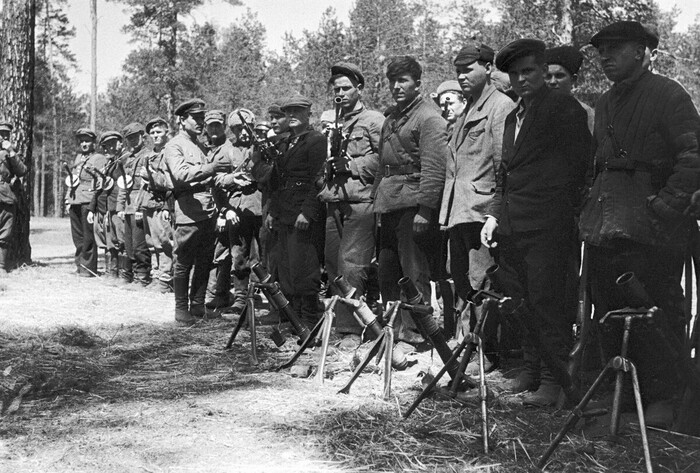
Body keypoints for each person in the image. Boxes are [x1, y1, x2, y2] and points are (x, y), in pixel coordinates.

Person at [579, 21, 700, 427]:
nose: (605, 57)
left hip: (653, 230)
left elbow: (693, 156)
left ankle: (663, 400)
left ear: (642, 51)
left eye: (615, 49)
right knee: (610, 312)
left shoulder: (669, 94)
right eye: (601, 51)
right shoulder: (604, 102)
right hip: (606, 223)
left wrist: (667, 205)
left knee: (656, 312)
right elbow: (597, 164)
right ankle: (625, 397)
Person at [482, 39, 590, 406]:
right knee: (521, 302)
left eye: (528, 71)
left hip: (549, 227)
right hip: (513, 226)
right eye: (514, 74)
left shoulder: (563, 108)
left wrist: (560, 215)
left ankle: (553, 381)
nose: (521, 79)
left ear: (543, 71)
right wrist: (494, 216)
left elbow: (578, 167)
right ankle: (530, 371)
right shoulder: (513, 116)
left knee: (549, 305)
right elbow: (506, 174)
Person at [439, 44, 515, 369]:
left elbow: (503, 166)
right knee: (464, 282)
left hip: (482, 211)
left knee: (483, 284)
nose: (461, 76)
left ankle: (486, 353)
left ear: (488, 68)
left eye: (468, 69)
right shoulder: (468, 108)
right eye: (458, 70)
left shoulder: (500, 106)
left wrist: (495, 213)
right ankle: (470, 346)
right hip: (459, 211)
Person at [372, 56, 449, 357]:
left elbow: (434, 167)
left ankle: (418, 334)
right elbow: (382, 166)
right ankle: (393, 330)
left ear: (417, 83)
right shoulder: (391, 118)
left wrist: (425, 210)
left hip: (413, 204)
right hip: (389, 202)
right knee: (387, 270)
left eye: (403, 80)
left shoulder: (429, 118)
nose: (396, 86)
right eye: (392, 81)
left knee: (414, 271)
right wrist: (375, 202)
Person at [317, 62, 384, 350]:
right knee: (333, 264)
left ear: (360, 89)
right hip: (335, 201)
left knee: (352, 265)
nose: (340, 93)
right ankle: (339, 323)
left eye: (346, 88)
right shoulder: (335, 124)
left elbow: (386, 158)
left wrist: (352, 165)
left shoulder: (373, 120)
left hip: (360, 201)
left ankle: (353, 329)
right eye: (336, 89)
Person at [253, 93, 327, 328]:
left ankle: (309, 320)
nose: (292, 115)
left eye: (297, 111)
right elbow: (277, 181)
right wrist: (273, 212)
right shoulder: (285, 142)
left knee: (305, 267)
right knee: (285, 267)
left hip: (302, 213)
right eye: (289, 112)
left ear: (309, 114)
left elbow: (318, 179)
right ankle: (291, 317)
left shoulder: (316, 140)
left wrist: (307, 212)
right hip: (284, 212)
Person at [163, 98, 229, 324]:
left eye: (202, 118)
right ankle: (181, 309)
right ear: (182, 120)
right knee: (183, 261)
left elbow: (210, 177)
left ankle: (198, 306)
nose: (201, 123)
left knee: (204, 260)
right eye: (196, 118)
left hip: (208, 210)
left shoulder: (200, 145)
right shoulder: (174, 145)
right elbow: (181, 174)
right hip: (188, 211)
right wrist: (211, 167)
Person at [206, 109, 262, 315]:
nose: (244, 133)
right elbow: (216, 180)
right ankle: (240, 298)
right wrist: (226, 209)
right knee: (239, 255)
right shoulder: (227, 151)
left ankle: (263, 295)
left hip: (262, 207)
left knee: (264, 255)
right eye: (238, 129)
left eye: (247, 128)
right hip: (237, 210)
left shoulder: (263, 148)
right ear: (232, 130)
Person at [137, 117, 175, 293]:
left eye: (158, 132)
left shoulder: (170, 153)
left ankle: (166, 279)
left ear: (167, 132)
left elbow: (170, 182)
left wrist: (150, 176)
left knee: (164, 242)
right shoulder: (149, 156)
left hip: (162, 203)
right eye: (152, 133)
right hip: (149, 203)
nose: (155, 135)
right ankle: (156, 274)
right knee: (151, 242)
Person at [65, 128, 106, 276]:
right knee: (78, 236)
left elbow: (100, 183)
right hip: (75, 200)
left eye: (87, 141)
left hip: (88, 201)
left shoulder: (99, 158)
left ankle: (88, 268)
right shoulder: (78, 158)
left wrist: (93, 206)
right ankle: (79, 265)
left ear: (93, 143)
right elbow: (73, 180)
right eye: (81, 141)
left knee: (88, 236)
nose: (84, 144)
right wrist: (67, 199)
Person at [116, 122, 152, 286]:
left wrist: (140, 207)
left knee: (140, 244)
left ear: (142, 137)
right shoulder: (127, 159)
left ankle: (142, 276)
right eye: (129, 138)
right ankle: (130, 274)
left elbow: (147, 185)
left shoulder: (148, 156)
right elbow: (124, 184)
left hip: (141, 203)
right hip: (129, 205)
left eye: (135, 137)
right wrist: (120, 206)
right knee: (128, 243)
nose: (132, 141)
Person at [89, 131, 126, 280]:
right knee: (110, 242)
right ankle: (112, 272)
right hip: (108, 208)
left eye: (111, 145)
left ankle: (124, 274)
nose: (107, 149)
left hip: (120, 207)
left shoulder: (125, 161)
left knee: (122, 241)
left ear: (120, 144)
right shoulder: (109, 164)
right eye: (104, 146)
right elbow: (100, 189)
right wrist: (93, 208)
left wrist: (121, 208)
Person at [544, 46, 594, 132]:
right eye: (548, 76)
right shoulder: (532, 110)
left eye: (559, 76)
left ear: (573, 79)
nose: (552, 82)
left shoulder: (586, 113)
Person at [0, 121, 27, 274]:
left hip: (5, 195)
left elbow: (22, 170)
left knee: (5, 231)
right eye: (1, 134)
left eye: (6, 135)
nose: (3, 137)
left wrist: (10, 151)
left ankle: (1, 266)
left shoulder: (12, 153)